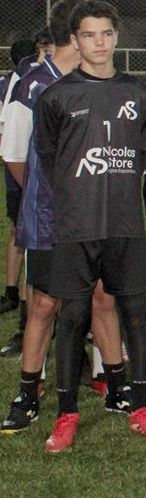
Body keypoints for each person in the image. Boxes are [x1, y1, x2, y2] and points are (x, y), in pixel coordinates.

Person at [34, 0, 146, 450]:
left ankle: (142, 408)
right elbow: (51, 159)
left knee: (135, 314)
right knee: (73, 317)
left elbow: (141, 157)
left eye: (106, 33)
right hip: (76, 227)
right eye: (89, 35)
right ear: (75, 40)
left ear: (116, 37)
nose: (99, 42)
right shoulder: (56, 97)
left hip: (124, 225)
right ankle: (66, 414)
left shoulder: (139, 94)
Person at [0, 0, 129, 434]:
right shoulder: (32, 87)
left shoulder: (96, 83)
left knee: (102, 296)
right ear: (74, 36)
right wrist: (52, 194)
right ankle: (28, 391)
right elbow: (15, 158)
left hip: (98, 215)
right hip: (52, 218)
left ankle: (115, 385)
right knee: (44, 303)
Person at [0, 38, 36, 319]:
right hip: (27, 170)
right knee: (28, 236)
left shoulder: (8, 83)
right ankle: (23, 300)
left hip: (16, 170)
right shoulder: (27, 84)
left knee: (19, 232)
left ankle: (12, 293)